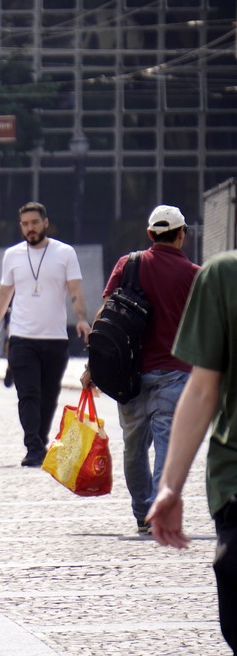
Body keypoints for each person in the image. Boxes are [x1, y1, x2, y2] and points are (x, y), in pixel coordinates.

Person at [81, 205, 199, 533]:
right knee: (166, 445)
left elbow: (104, 317)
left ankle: (142, 512)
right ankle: (161, 510)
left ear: (149, 234)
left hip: (128, 376)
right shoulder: (193, 274)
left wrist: (94, 365)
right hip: (175, 373)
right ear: (182, 234)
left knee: (134, 449)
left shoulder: (128, 264)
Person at [146, 251, 237, 652]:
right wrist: (169, 485)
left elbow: (201, 389)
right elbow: (202, 389)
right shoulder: (224, 276)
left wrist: (170, 486)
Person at [0, 202, 91, 467]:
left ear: (45, 223)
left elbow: (74, 289)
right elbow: (4, 293)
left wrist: (82, 319)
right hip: (22, 336)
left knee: (48, 395)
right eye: (25, 224)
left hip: (54, 338)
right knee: (28, 393)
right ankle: (33, 446)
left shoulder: (65, 253)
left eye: (34, 223)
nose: (30, 228)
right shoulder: (13, 255)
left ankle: (39, 439)